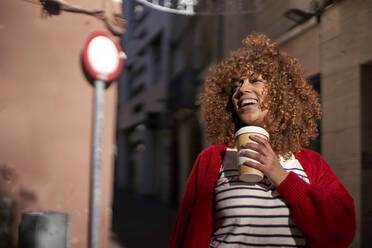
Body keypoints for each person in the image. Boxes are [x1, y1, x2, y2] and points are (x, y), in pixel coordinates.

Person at [168, 33, 356, 248]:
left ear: (281, 94)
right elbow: (185, 236)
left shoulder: (311, 163)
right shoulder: (213, 159)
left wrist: (279, 175)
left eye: (255, 80)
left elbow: (341, 231)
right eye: (236, 86)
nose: (242, 89)